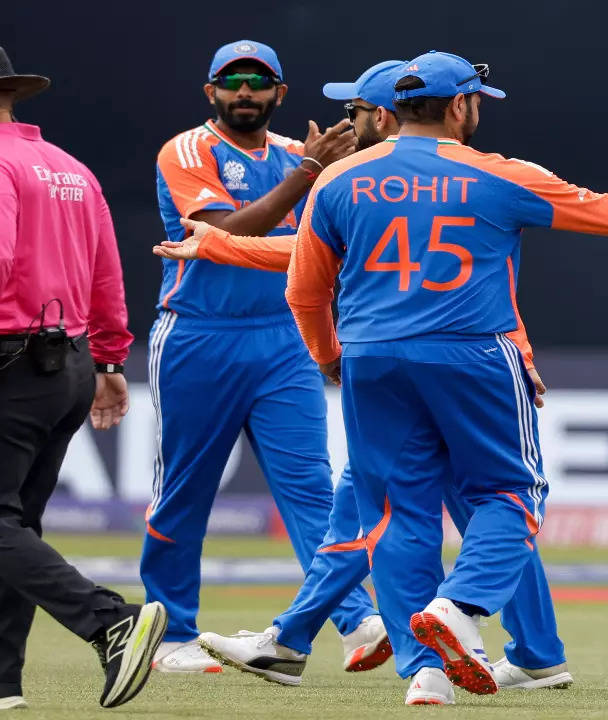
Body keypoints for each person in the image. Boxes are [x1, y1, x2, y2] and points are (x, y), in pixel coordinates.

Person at [285, 50, 608, 704]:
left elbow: (305, 294)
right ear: (459, 106)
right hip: (472, 354)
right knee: (511, 491)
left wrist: (330, 358)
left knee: (397, 514)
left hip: (370, 356)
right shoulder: (498, 175)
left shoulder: (338, 180)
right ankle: (460, 606)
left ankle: (424, 675)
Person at [161, 60, 573, 700]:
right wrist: (517, 352)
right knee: (479, 509)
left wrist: (222, 247)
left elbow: (308, 264)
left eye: (353, 112)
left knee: (396, 513)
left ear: (382, 116)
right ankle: (530, 652)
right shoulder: (448, 177)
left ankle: (390, 649)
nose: (344, 124)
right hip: (466, 367)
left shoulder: (356, 183)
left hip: (394, 373)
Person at [145, 39, 379, 674]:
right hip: (199, 335)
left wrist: (331, 173)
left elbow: (318, 244)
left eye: (258, 82)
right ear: (210, 92)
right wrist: (309, 173)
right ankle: (172, 636)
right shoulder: (188, 149)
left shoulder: (295, 158)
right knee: (185, 490)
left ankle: (356, 620)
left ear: (279, 92)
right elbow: (227, 233)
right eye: (232, 82)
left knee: (310, 487)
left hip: (283, 338)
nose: (243, 93)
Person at [0, 45, 167, 710]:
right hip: (66, 363)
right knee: (14, 528)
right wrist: (107, 361)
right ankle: (2, 683)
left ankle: (110, 622)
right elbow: (106, 274)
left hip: (12, 359)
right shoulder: (67, 166)